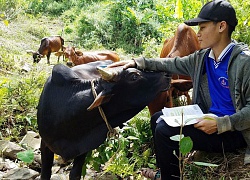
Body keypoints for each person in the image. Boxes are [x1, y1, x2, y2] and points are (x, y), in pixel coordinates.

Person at [108, 0, 250, 179]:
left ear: (222, 26)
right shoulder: (203, 57)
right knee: (157, 119)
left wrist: (222, 124)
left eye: (203, 28)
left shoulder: (244, 62)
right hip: (207, 119)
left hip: (232, 131)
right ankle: (165, 172)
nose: (198, 34)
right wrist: (138, 62)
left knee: (164, 131)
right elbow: (170, 63)